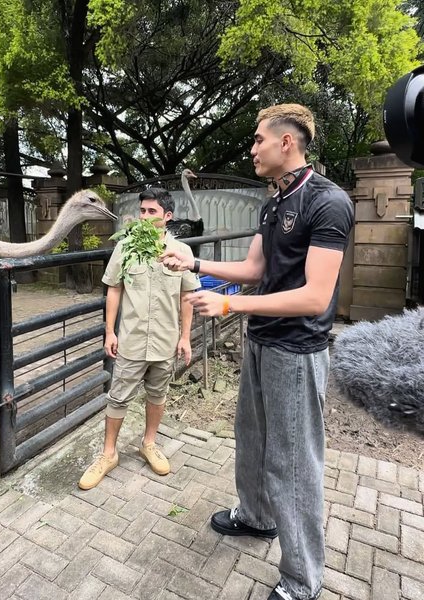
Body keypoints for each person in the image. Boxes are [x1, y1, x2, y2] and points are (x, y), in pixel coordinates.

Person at [161, 104, 354, 600]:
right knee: (251, 440)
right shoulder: (274, 203)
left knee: (292, 463)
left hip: (298, 350)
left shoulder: (327, 202)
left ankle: (302, 579)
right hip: (262, 341)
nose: (251, 149)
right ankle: (256, 517)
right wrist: (195, 259)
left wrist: (229, 306)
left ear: (286, 143)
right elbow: (253, 269)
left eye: (258, 141)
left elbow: (314, 296)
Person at [79, 187, 200, 490]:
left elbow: (187, 297)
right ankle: (108, 454)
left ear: (167, 216)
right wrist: (109, 330)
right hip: (131, 338)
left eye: (152, 212)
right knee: (118, 396)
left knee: (157, 394)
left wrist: (185, 338)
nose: (145, 217)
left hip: (165, 339)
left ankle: (149, 443)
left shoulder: (181, 252)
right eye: (142, 211)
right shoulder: (126, 247)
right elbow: (114, 289)